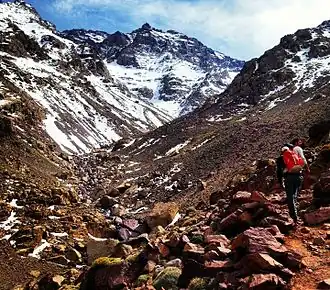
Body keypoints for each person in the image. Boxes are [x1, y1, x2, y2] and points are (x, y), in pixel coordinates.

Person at [277, 146, 304, 224]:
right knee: (295, 195)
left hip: (289, 178)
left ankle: (294, 217)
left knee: (290, 197)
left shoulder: (281, 158)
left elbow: (279, 171)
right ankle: (296, 213)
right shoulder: (294, 154)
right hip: (299, 177)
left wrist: (280, 181)